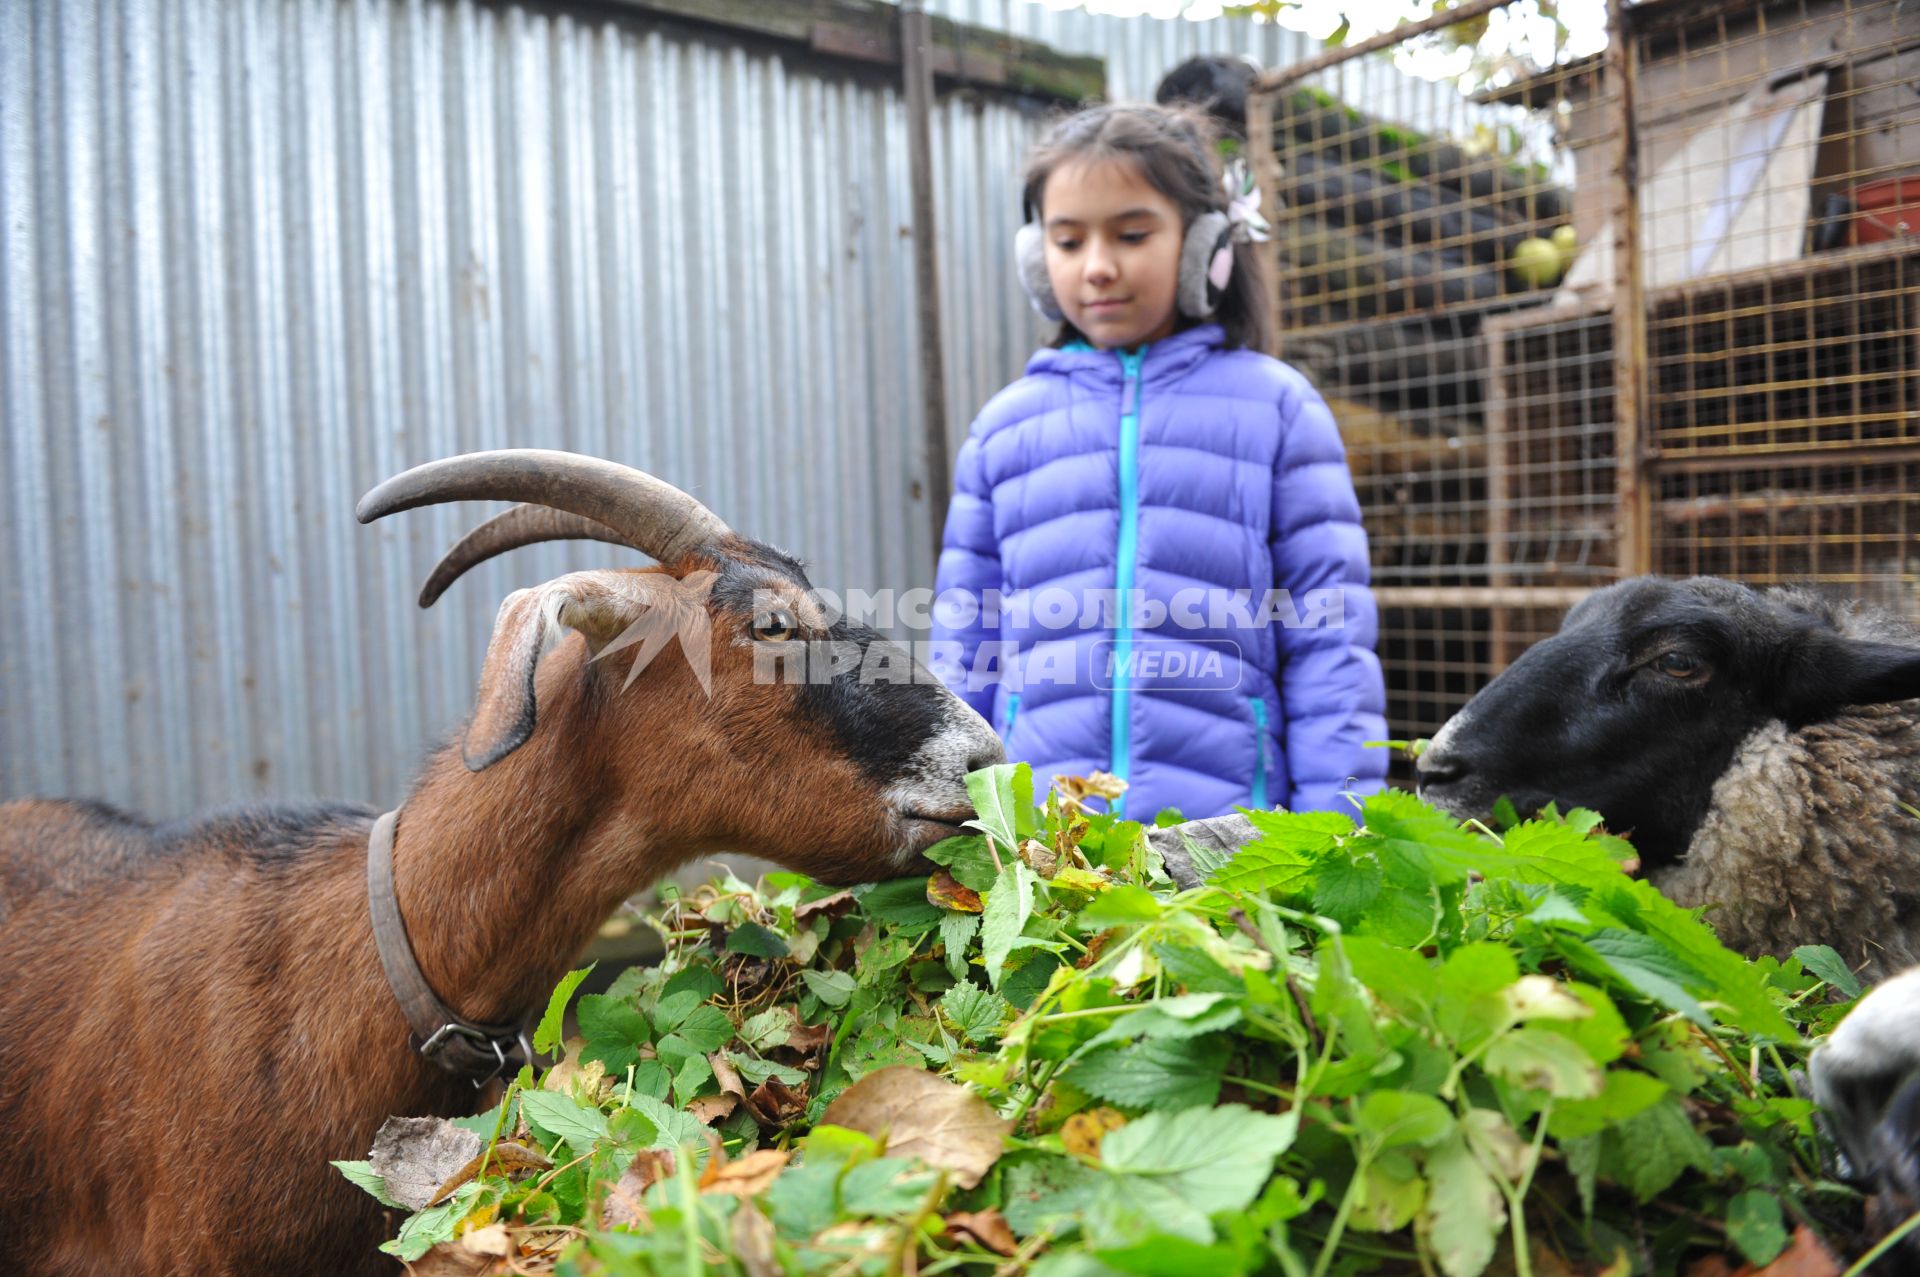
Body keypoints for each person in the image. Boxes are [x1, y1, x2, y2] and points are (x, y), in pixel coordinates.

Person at [930, 103, 1387, 822]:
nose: (1098, 266)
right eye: (1068, 240)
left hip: (1234, 855)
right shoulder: (1002, 431)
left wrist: (1341, 835)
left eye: (1132, 234)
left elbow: (1330, 650)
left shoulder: (1278, 410)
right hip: (1048, 852)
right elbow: (965, 652)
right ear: (1035, 256)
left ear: (1207, 244)